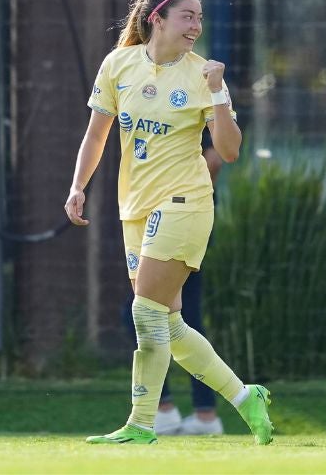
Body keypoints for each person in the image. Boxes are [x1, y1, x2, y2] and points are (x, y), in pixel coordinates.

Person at [64, 0, 273, 445]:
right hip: (133, 209)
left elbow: (230, 150)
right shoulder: (117, 65)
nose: (196, 26)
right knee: (169, 324)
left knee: (145, 311)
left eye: (200, 17)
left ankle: (141, 423)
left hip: (185, 203)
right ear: (156, 18)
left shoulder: (203, 76)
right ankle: (245, 398)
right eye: (187, 16)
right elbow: (96, 136)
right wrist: (78, 185)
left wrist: (219, 92)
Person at [121, 133, 224, 436]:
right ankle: (203, 414)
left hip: (183, 215)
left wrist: (182, 187)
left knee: (144, 313)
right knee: (179, 317)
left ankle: (171, 411)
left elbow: (217, 157)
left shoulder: (205, 89)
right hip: (154, 212)